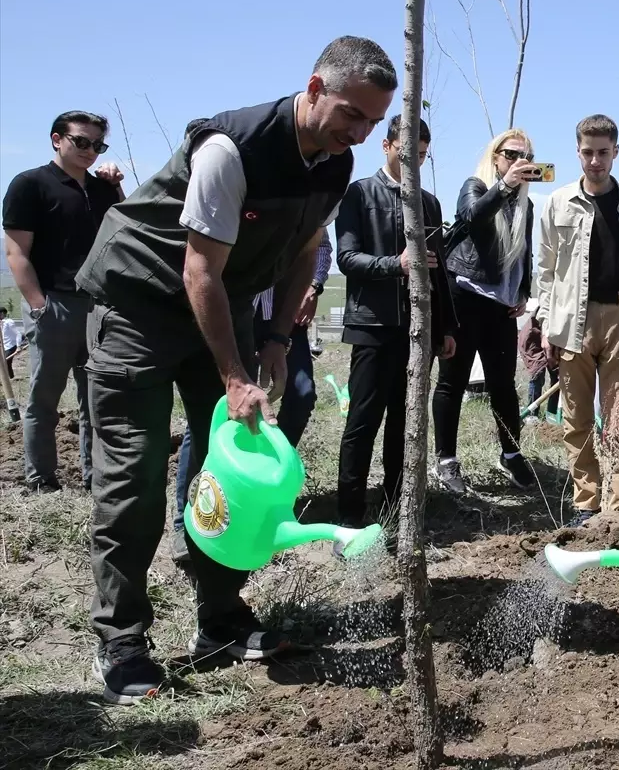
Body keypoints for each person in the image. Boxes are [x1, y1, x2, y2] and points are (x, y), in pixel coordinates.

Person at [74, 36, 396, 705]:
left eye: (371, 121)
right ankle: (123, 639)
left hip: (220, 307)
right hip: (141, 304)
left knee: (225, 470)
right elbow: (200, 270)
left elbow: (305, 251)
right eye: (350, 113)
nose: (359, 132)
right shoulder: (230, 148)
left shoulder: (334, 164)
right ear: (314, 89)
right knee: (133, 478)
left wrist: (278, 335)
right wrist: (234, 374)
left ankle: (219, 621)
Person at [170, 229, 333, 566]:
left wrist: (314, 286)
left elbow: (319, 246)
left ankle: (260, 489)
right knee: (214, 413)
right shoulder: (243, 190)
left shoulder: (307, 198)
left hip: (283, 317)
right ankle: (187, 517)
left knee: (301, 394)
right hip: (232, 312)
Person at [537, 114, 619, 524]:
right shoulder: (557, 203)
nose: (595, 161)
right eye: (588, 153)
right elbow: (546, 270)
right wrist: (544, 324)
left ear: (616, 152)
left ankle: (616, 507)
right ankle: (585, 501)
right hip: (572, 321)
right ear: (578, 152)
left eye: (603, 152)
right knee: (576, 416)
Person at [335, 115, 457, 527]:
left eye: (422, 157)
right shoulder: (358, 195)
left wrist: (445, 328)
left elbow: (440, 272)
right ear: (386, 146)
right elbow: (347, 258)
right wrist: (397, 264)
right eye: (408, 155)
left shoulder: (429, 203)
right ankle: (349, 518)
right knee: (363, 423)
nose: (414, 164)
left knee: (405, 425)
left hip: (417, 333)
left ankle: (395, 515)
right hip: (372, 327)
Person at [1, 111, 125, 491]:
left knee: (96, 400)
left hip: (98, 307)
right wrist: (38, 305)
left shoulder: (102, 189)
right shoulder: (29, 185)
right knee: (44, 398)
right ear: (57, 139)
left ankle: (94, 478)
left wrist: (116, 185)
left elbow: (125, 228)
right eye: (81, 142)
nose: (90, 151)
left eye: (98, 145)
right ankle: (41, 480)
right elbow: (16, 254)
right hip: (53, 304)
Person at [433, 129, 538, 494]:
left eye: (525, 156)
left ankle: (510, 454)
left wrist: (523, 290)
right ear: (495, 157)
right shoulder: (475, 185)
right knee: (452, 382)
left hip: (502, 307)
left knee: (504, 386)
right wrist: (504, 187)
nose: (518, 162)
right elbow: (471, 216)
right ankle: (446, 460)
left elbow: (524, 251)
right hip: (465, 297)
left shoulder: (527, 204)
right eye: (510, 154)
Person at [520, 317, 559, 424]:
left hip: (553, 340)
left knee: (557, 376)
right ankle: (532, 414)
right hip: (533, 341)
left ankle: (552, 413)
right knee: (538, 374)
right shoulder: (538, 319)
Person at [1, 307, 20, 377]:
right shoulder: (1, 323)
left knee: (6, 363)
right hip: (4, 347)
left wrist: (18, 346)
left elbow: (18, 334)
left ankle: (11, 379)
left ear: (2, 313)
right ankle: (9, 378)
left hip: (11, 346)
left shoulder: (9, 322)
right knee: (5, 363)